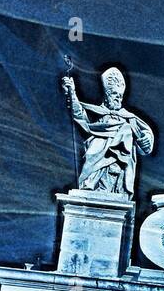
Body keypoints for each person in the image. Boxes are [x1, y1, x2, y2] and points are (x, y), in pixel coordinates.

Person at [62, 66, 155, 196]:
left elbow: (146, 136)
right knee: (98, 146)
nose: (118, 99)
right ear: (106, 96)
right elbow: (80, 116)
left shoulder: (129, 118)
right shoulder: (98, 114)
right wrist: (71, 94)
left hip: (120, 162)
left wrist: (146, 139)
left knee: (126, 129)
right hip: (97, 156)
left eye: (120, 96)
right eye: (114, 95)